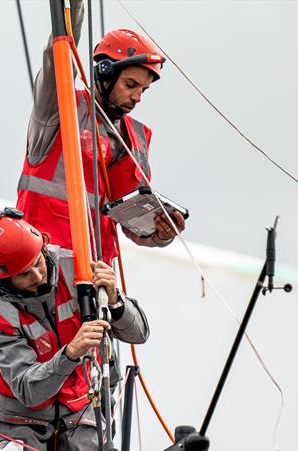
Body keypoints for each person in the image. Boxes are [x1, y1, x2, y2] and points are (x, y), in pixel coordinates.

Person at [0, 209, 150, 451]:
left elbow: (139, 334)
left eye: (38, 261)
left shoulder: (80, 269)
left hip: (78, 402)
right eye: (24, 274)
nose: (39, 275)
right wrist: (71, 353)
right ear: (2, 279)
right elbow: (30, 390)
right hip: (16, 410)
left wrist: (115, 301)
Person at [16, 0, 186, 264]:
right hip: (39, 274)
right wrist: (75, 5)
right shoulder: (57, 110)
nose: (138, 97)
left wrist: (160, 233)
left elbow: (133, 224)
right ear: (104, 73)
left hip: (95, 280)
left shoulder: (134, 139)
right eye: (131, 85)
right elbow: (58, 57)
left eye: (143, 90)